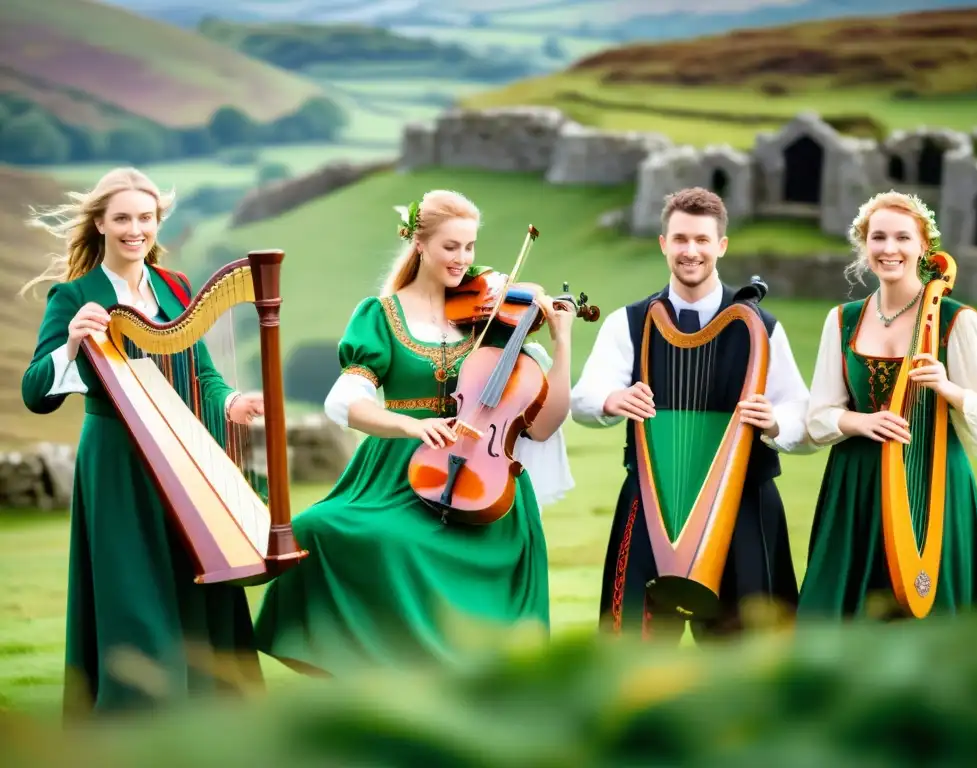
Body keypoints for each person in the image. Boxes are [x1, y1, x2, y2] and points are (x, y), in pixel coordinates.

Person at [253, 189, 576, 672]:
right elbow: (345, 402)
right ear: (419, 244)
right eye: (451, 247)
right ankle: (364, 670)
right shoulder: (381, 315)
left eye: (470, 247)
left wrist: (563, 340)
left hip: (484, 479)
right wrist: (410, 424)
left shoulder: (495, 316)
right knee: (315, 528)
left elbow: (545, 424)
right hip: (394, 472)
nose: (464, 260)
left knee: (409, 549)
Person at [19, 167, 266, 719]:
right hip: (116, 462)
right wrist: (71, 346)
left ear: (158, 224)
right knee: (129, 589)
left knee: (200, 575)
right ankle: (137, 713)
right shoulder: (75, 296)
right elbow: (35, 392)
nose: (136, 229)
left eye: (146, 218)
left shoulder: (176, 288)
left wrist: (230, 402)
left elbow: (202, 372)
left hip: (182, 457)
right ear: (102, 225)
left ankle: (211, 711)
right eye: (123, 218)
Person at [569, 187, 815, 643]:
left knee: (749, 652)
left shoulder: (763, 327)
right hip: (650, 496)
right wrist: (611, 401)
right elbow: (583, 397)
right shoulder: (629, 321)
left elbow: (803, 416)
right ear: (663, 243)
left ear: (721, 245)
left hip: (743, 500)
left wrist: (776, 421)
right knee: (631, 649)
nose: (691, 251)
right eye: (680, 239)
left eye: (702, 240)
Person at [798, 190, 977, 620]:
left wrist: (948, 389)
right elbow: (819, 415)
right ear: (865, 246)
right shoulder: (841, 320)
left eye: (903, 237)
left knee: (933, 605)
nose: (889, 248)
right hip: (856, 483)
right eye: (878, 237)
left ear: (924, 247)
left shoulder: (957, 320)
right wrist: (861, 422)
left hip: (936, 479)